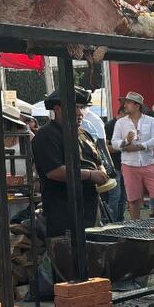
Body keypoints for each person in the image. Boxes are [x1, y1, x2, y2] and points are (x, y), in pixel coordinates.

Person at [32, 88, 107, 237]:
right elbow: (54, 171)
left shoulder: (84, 134)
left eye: (82, 108)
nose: (80, 113)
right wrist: (91, 175)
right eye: (75, 107)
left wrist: (102, 173)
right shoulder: (46, 134)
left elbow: (98, 162)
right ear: (57, 109)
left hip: (91, 205)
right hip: (63, 209)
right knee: (67, 254)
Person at [111, 91, 154, 220]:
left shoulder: (150, 120)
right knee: (133, 198)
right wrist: (126, 142)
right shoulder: (120, 123)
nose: (124, 105)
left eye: (128, 103)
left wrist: (139, 146)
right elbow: (114, 143)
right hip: (129, 165)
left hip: (148, 163)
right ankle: (136, 226)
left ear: (137, 106)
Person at [103, 105, 127, 221]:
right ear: (121, 113)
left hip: (126, 165)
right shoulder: (109, 125)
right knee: (115, 196)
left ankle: (120, 221)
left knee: (123, 197)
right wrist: (122, 147)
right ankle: (111, 221)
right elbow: (105, 147)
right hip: (113, 166)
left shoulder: (126, 126)